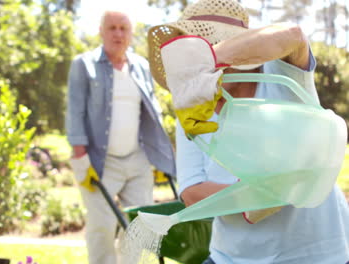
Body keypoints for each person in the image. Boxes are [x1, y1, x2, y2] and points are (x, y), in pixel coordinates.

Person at [147, 0, 349, 263]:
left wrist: (207, 61)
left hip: (314, 251)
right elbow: (191, 191)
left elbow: (294, 36)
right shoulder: (194, 105)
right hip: (232, 255)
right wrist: (250, 196)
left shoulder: (283, 74)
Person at [65, 9, 176, 264]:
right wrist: (80, 158)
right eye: (112, 28)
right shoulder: (84, 65)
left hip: (137, 158)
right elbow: (75, 110)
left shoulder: (141, 67)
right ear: (101, 32)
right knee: (101, 226)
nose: (118, 33)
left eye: (123, 28)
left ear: (131, 34)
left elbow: (153, 112)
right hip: (99, 161)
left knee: (140, 226)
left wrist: (159, 155)